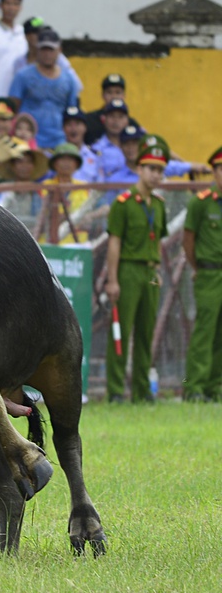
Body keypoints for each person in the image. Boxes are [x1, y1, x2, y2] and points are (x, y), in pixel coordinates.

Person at [104, 135, 171, 403]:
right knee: (122, 331)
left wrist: (159, 271)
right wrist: (112, 280)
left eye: (160, 170)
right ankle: (117, 390)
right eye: (151, 169)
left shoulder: (159, 205)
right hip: (128, 271)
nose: (156, 175)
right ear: (139, 169)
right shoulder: (123, 203)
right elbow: (114, 243)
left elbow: (160, 242)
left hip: (151, 273)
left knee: (146, 333)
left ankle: (143, 391)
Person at [182, 145, 222, 402]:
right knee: (204, 332)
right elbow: (188, 240)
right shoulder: (201, 202)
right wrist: (198, 267)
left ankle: (214, 386)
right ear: (214, 172)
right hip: (209, 274)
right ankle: (194, 387)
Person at [8, 28, 76, 150]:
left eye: (51, 50)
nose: (47, 54)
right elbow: (13, 108)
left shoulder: (69, 79)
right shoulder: (23, 76)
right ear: (37, 50)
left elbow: (72, 113)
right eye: (43, 49)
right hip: (28, 140)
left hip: (59, 140)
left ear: (59, 50)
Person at [32, 142, 87, 243]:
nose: (66, 163)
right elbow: (37, 215)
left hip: (77, 243)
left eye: (70, 160)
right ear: (54, 164)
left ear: (77, 164)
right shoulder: (44, 186)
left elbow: (100, 209)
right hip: (48, 241)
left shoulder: (85, 187)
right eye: (62, 159)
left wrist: (90, 216)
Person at [84, 73, 140, 145]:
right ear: (103, 95)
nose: (114, 96)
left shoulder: (131, 124)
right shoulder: (89, 120)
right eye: (109, 92)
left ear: (124, 96)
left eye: (117, 92)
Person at [61, 105, 100, 183]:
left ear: (85, 127)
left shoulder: (95, 157)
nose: (73, 129)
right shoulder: (56, 157)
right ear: (63, 129)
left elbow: (100, 188)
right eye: (69, 124)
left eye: (77, 124)